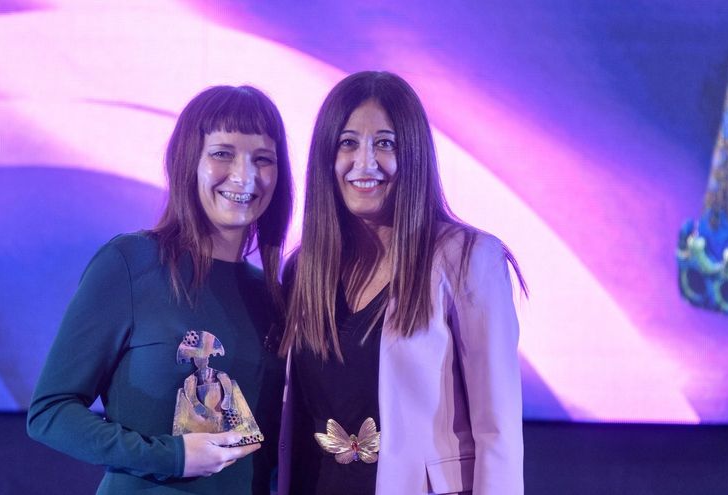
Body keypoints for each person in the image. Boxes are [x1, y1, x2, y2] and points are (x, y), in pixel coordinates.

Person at [27, 85, 293, 494]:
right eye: (223, 153)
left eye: (263, 159)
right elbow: (50, 412)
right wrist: (172, 456)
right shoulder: (131, 263)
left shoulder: (274, 297)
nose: (245, 175)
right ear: (188, 162)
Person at [278, 71, 526, 495]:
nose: (364, 163)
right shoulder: (304, 268)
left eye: (385, 143)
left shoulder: (468, 258)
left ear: (413, 154)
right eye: (348, 143)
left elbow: (497, 430)